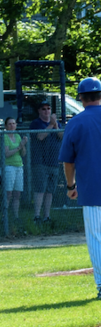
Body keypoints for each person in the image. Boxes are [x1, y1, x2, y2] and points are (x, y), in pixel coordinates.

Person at [58, 77, 101, 300]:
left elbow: (68, 161)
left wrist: (70, 185)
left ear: (81, 98)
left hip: (92, 191)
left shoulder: (76, 122)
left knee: (96, 239)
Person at [30, 100, 63, 223]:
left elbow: (62, 136)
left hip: (53, 162)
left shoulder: (56, 123)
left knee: (50, 190)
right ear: (39, 111)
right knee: (40, 189)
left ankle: (46, 216)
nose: (46, 111)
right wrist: (50, 125)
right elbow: (40, 137)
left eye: (48, 108)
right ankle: (37, 216)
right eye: (43, 109)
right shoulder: (36, 123)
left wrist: (55, 125)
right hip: (40, 162)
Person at [0, 117, 28, 220]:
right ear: (6, 126)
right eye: (9, 124)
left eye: (14, 124)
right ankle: (4, 216)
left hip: (19, 166)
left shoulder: (18, 136)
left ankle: (16, 216)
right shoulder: (4, 137)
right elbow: (6, 154)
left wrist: (23, 145)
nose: (12, 126)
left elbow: (23, 153)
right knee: (8, 193)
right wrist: (19, 147)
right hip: (8, 167)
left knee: (17, 193)